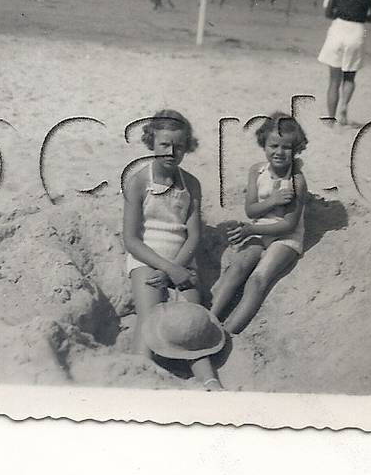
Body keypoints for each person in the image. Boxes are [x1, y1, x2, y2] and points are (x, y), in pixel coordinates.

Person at [123, 110, 224, 390]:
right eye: (164, 145)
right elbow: (130, 239)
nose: (171, 152)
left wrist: (178, 268)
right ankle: (140, 376)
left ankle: (210, 381)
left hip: (182, 258)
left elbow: (193, 235)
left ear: (187, 147)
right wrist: (167, 270)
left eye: (179, 146)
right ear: (151, 143)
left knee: (192, 316)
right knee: (150, 315)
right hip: (147, 257)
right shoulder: (139, 181)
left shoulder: (191, 184)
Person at [210, 113, 308, 336]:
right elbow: (250, 210)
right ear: (264, 144)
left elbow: (289, 225)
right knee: (238, 267)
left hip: (285, 239)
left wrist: (251, 229)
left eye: (287, 147)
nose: (279, 152)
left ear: (296, 149)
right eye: (274, 145)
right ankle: (209, 319)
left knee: (257, 280)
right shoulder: (257, 171)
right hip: (259, 227)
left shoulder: (297, 181)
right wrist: (272, 201)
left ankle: (227, 332)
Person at [318, 0, 371, 125]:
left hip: (338, 28)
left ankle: (331, 119)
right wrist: (360, 15)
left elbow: (328, 13)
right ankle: (344, 105)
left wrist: (342, 13)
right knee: (350, 77)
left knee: (334, 81)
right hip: (356, 30)